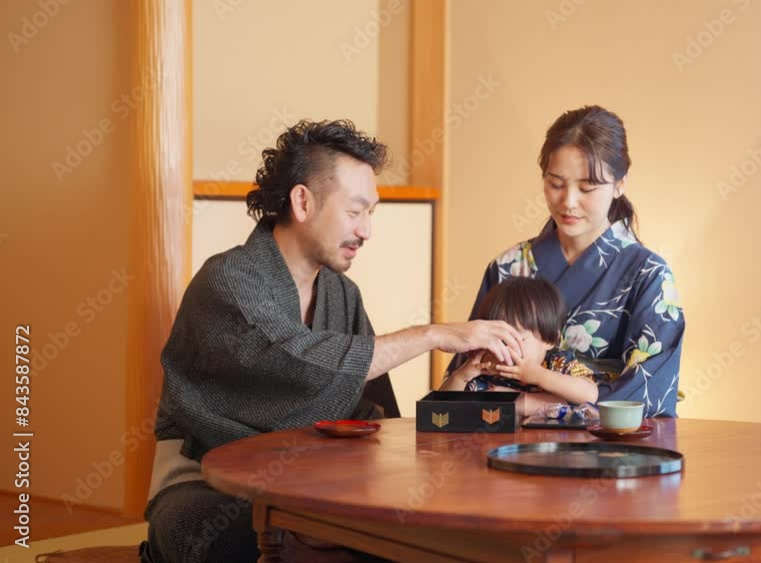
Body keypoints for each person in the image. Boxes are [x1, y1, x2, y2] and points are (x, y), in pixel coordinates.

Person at [142, 119, 525, 563]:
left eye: (371, 213)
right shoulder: (228, 279)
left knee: (406, 535)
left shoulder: (342, 294)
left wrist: (461, 398)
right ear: (302, 202)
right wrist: (433, 334)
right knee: (257, 538)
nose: (366, 231)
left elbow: (374, 416)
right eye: (355, 211)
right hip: (205, 481)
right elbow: (299, 363)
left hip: (310, 483)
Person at [447, 105, 685, 419]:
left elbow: (649, 395)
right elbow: (464, 378)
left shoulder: (648, 274)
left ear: (619, 184)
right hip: (504, 438)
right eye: (556, 184)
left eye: (587, 188)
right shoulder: (508, 267)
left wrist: (531, 402)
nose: (568, 202)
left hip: (610, 442)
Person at [440, 277, 601, 408]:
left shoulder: (558, 364)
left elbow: (590, 394)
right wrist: (461, 376)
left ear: (550, 339)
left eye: (516, 339)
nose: (504, 348)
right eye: (497, 339)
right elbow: (442, 408)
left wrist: (538, 375)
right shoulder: (486, 369)